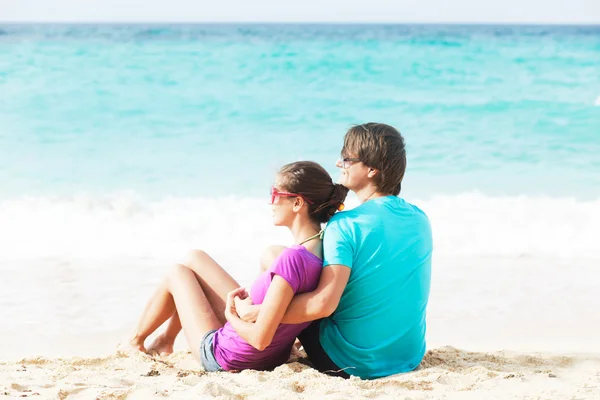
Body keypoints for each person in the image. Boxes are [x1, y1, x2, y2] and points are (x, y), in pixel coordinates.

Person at [129, 161, 348, 372]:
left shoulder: (292, 258)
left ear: (297, 203)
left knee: (177, 273)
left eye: (275, 195)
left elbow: (259, 339)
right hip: (271, 353)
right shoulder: (322, 252)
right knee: (195, 258)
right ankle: (165, 340)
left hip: (226, 355)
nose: (270, 203)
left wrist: (231, 315)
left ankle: (135, 341)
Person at [258, 123, 433, 379]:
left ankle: (264, 337)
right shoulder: (420, 218)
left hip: (349, 360)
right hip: (407, 356)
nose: (339, 164)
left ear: (372, 170)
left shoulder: (345, 224)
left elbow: (322, 305)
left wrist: (263, 312)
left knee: (284, 262)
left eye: (347, 159)